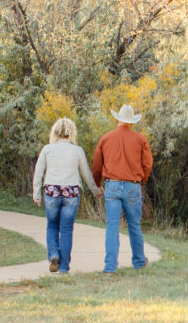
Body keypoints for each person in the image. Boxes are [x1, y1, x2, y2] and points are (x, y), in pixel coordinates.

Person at [32, 117, 102, 274]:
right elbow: (86, 174)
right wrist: (96, 191)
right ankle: (63, 267)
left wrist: (36, 193)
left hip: (52, 191)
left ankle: (54, 255)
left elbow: (38, 172)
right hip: (71, 192)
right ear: (72, 132)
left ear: (55, 132)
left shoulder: (47, 149)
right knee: (66, 229)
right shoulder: (77, 150)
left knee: (51, 226)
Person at [92, 104, 153, 275]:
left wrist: (97, 184)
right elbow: (147, 165)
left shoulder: (106, 138)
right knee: (134, 225)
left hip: (112, 184)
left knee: (112, 226)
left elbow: (97, 165)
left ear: (117, 119)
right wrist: (141, 181)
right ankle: (139, 261)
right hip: (132, 185)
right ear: (131, 122)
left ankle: (110, 267)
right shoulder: (141, 140)